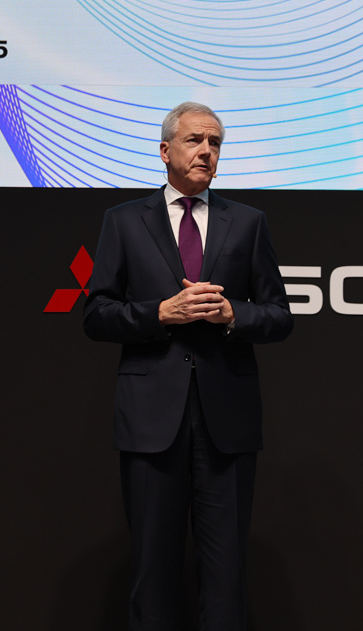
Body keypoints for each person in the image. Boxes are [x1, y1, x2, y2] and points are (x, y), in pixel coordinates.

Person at [83, 102, 294, 630]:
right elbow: (96, 314)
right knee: (153, 573)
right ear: (165, 150)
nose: (206, 151)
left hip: (227, 421)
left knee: (225, 577)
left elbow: (279, 316)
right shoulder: (123, 221)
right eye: (195, 140)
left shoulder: (248, 223)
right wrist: (160, 313)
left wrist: (232, 314)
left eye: (215, 143)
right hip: (151, 420)